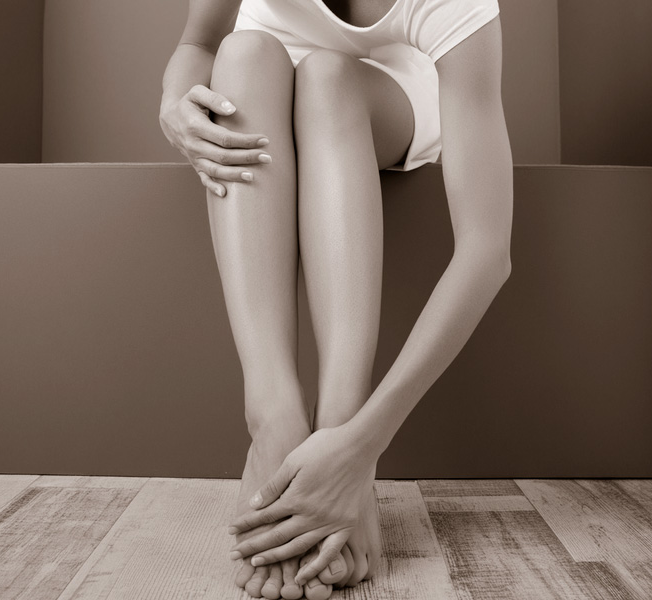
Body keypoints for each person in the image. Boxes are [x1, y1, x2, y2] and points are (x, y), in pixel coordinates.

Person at [159, 0, 513, 597]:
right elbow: (199, 44)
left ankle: (337, 424)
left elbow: (487, 250)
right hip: (259, 80)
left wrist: (359, 446)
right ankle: (273, 419)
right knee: (242, 52)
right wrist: (174, 103)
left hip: (388, 91)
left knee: (329, 75)